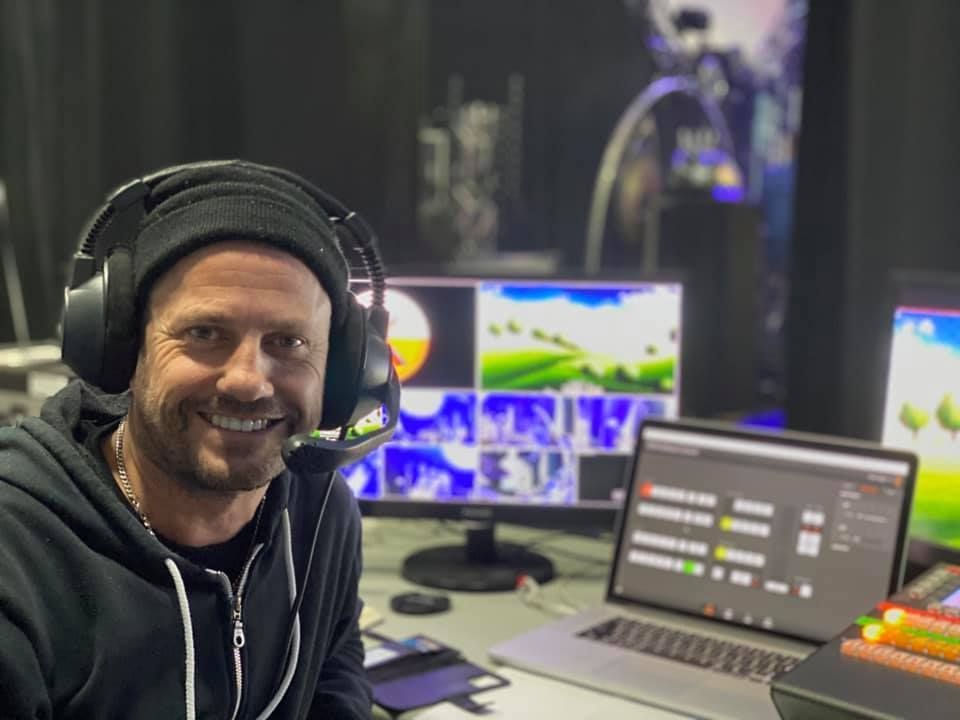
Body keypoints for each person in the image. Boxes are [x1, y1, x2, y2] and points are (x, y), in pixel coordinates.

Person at [0, 161, 385, 719]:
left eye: (288, 341)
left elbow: (334, 662)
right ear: (120, 348)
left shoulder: (322, 508)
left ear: (346, 372)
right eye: (204, 334)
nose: (249, 381)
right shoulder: (17, 553)